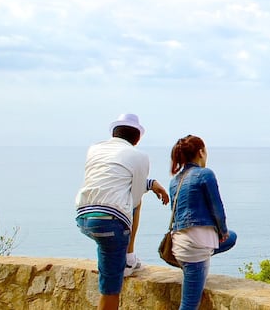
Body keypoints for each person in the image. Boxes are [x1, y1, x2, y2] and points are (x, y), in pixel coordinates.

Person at [75, 113, 170, 310]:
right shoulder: (140, 156)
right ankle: (128, 258)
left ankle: (125, 260)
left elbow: (113, 180)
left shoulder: (94, 149)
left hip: (83, 216)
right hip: (110, 223)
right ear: (137, 139)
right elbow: (134, 197)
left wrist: (151, 184)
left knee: (107, 248)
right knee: (110, 290)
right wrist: (149, 186)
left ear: (114, 133)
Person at [168, 134, 238, 310]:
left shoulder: (174, 181)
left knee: (232, 238)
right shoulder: (205, 174)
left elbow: (175, 214)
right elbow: (217, 209)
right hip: (194, 248)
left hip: (178, 245)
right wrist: (222, 232)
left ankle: (198, 261)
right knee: (189, 305)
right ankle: (199, 262)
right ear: (201, 152)